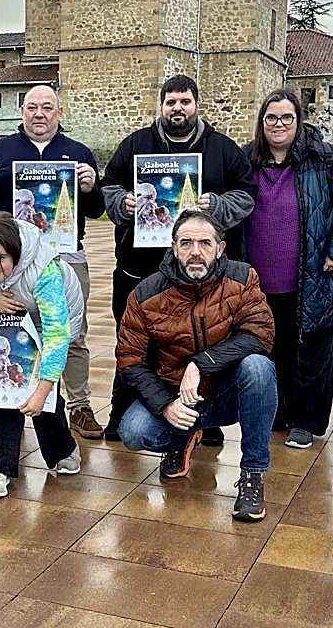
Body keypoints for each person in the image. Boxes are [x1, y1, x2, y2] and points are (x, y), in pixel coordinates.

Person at [99, 74, 257, 443]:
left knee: (205, 338)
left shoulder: (221, 148)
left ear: (196, 104)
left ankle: (206, 418)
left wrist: (218, 207)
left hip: (202, 272)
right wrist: (121, 203)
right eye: (171, 102)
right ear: (162, 106)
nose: (177, 108)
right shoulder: (136, 144)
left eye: (184, 101)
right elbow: (110, 185)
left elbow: (247, 194)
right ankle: (122, 408)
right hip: (139, 269)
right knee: (134, 342)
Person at [116, 210, 276, 522]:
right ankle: (184, 436)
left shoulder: (243, 278)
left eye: (205, 243)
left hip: (227, 393)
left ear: (220, 248)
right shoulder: (146, 294)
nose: (195, 252)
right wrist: (164, 407)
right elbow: (130, 360)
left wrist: (201, 364)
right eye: (186, 243)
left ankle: (252, 476)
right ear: (173, 248)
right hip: (175, 396)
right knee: (132, 432)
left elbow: (260, 334)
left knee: (259, 368)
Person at [0, 85, 108, 440]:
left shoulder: (78, 153)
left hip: (65, 257)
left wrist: (90, 188)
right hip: (15, 262)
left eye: (47, 107)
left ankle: (80, 405)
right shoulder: (1, 153)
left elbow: (98, 210)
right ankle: (16, 401)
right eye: (33, 107)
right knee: (14, 329)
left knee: (72, 333)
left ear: (59, 112)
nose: (40, 114)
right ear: (22, 111)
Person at [244, 89, 333, 449]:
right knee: (271, 349)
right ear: (261, 123)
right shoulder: (246, 161)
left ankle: (305, 420)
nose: (278, 124)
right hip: (260, 279)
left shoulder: (326, 158)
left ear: (298, 120)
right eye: (271, 118)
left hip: (315, 274)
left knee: (312, 352)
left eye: (286, 118)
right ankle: (278, 412)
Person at [0, 212, 83, 499]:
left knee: (41, 394)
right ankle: (0, 467)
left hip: (52, 319)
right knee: (7, 387)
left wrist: (43, 388)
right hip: (13, 318)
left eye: (0, 258)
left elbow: (58, 334)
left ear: (15, 251)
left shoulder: (45, 270)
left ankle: (62, 450)